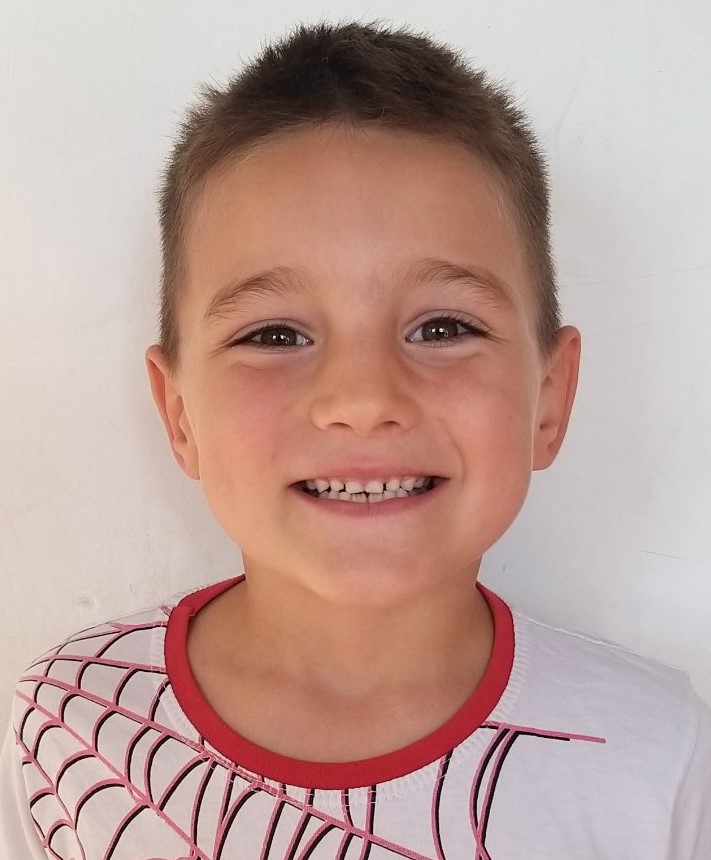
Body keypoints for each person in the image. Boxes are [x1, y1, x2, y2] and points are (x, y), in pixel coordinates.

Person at [1, 18, 709, 859]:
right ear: (179, 414)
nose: (363, 401)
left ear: (548, 401)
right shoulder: (65, 721)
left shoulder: (657, 754)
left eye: (443, 327)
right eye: (273, 335)